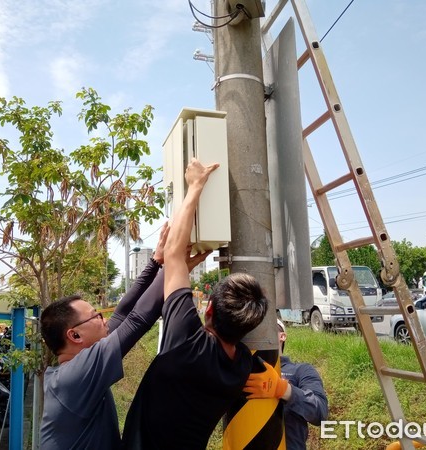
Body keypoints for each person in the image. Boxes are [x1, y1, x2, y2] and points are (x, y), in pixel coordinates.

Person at [122, 158, 269, 450]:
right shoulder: (239, 366)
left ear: (210, 310)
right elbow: (175, 258)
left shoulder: (187, 340)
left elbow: (173, 253)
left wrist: (196, 186)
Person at [39, 223, 208, 450]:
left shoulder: (71, 369)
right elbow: (137, 320)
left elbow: (122, 314)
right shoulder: (73, 377)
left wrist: (157, 261)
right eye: (96, 316)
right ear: (75, 335)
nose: (104, 319)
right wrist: (174, 263)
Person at [245, 319, 329, 449]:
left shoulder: (301, 370)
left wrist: (284, 390)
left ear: (282, 336)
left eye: (266, 326)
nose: (258, 332)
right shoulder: (238, 372)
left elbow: (320, 412)